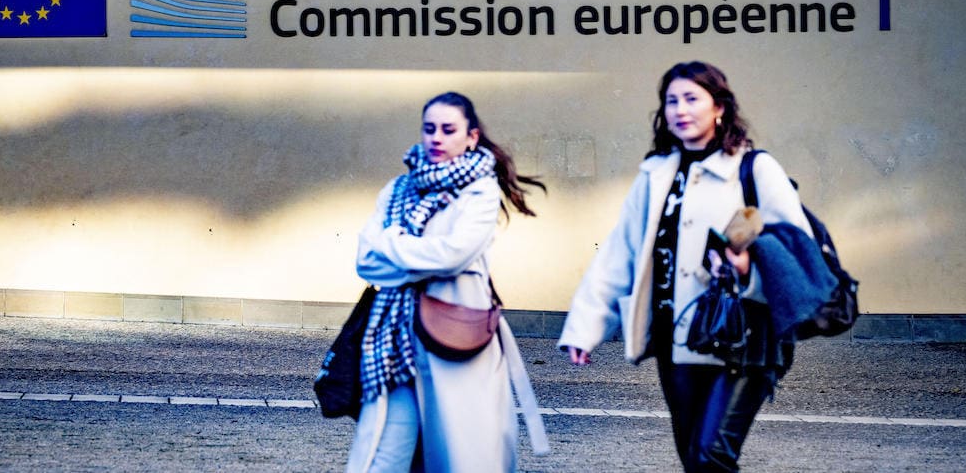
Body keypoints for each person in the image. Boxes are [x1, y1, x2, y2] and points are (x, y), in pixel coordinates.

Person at [558, 61, 816, 472]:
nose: (680, 109)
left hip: (743, 335)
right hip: (675, 338)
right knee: (693, 459)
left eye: (692, 99)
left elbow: (797, 247)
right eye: (672, 100)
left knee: (710, 457)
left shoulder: (754, 168)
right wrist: (586, 329)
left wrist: (748, 267)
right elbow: (620, 253)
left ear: (719, 107)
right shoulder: (656, 174)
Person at [347, 91, 548, 473]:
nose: (436, 137)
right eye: (429, 129)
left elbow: (453, 254)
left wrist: (393, 244)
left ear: (471, 137)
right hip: (394, 344)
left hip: (454, 341)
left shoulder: (480, 192)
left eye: (448, 129)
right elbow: (366, 262)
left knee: (461, 458)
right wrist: (423, 260)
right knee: (382, 458)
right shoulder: (397, 190)